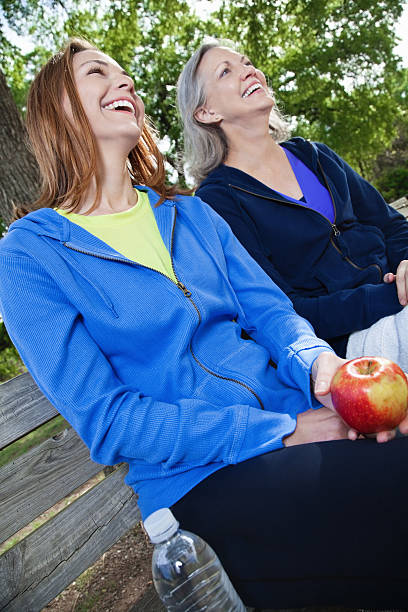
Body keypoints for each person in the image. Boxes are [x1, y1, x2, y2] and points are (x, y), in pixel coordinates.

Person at [0, 38, 408, 611]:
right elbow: (110, 420)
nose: (125, 84)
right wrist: (278, 432)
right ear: (56, 110)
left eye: (126, 76)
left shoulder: (191, 213)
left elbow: (273, 315)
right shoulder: (32, 253)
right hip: (201, 476)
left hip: (298, 415)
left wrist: (322, 367)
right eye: (97, 73)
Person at [177, 40, 408, 370]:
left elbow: (392, 225)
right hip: (349, 344)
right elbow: (284, 308)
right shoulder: (219, 201)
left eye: (246, 62)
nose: (248, 71)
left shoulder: (315, 155)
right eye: (227, 71)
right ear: (207, 113)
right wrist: (389, 299)